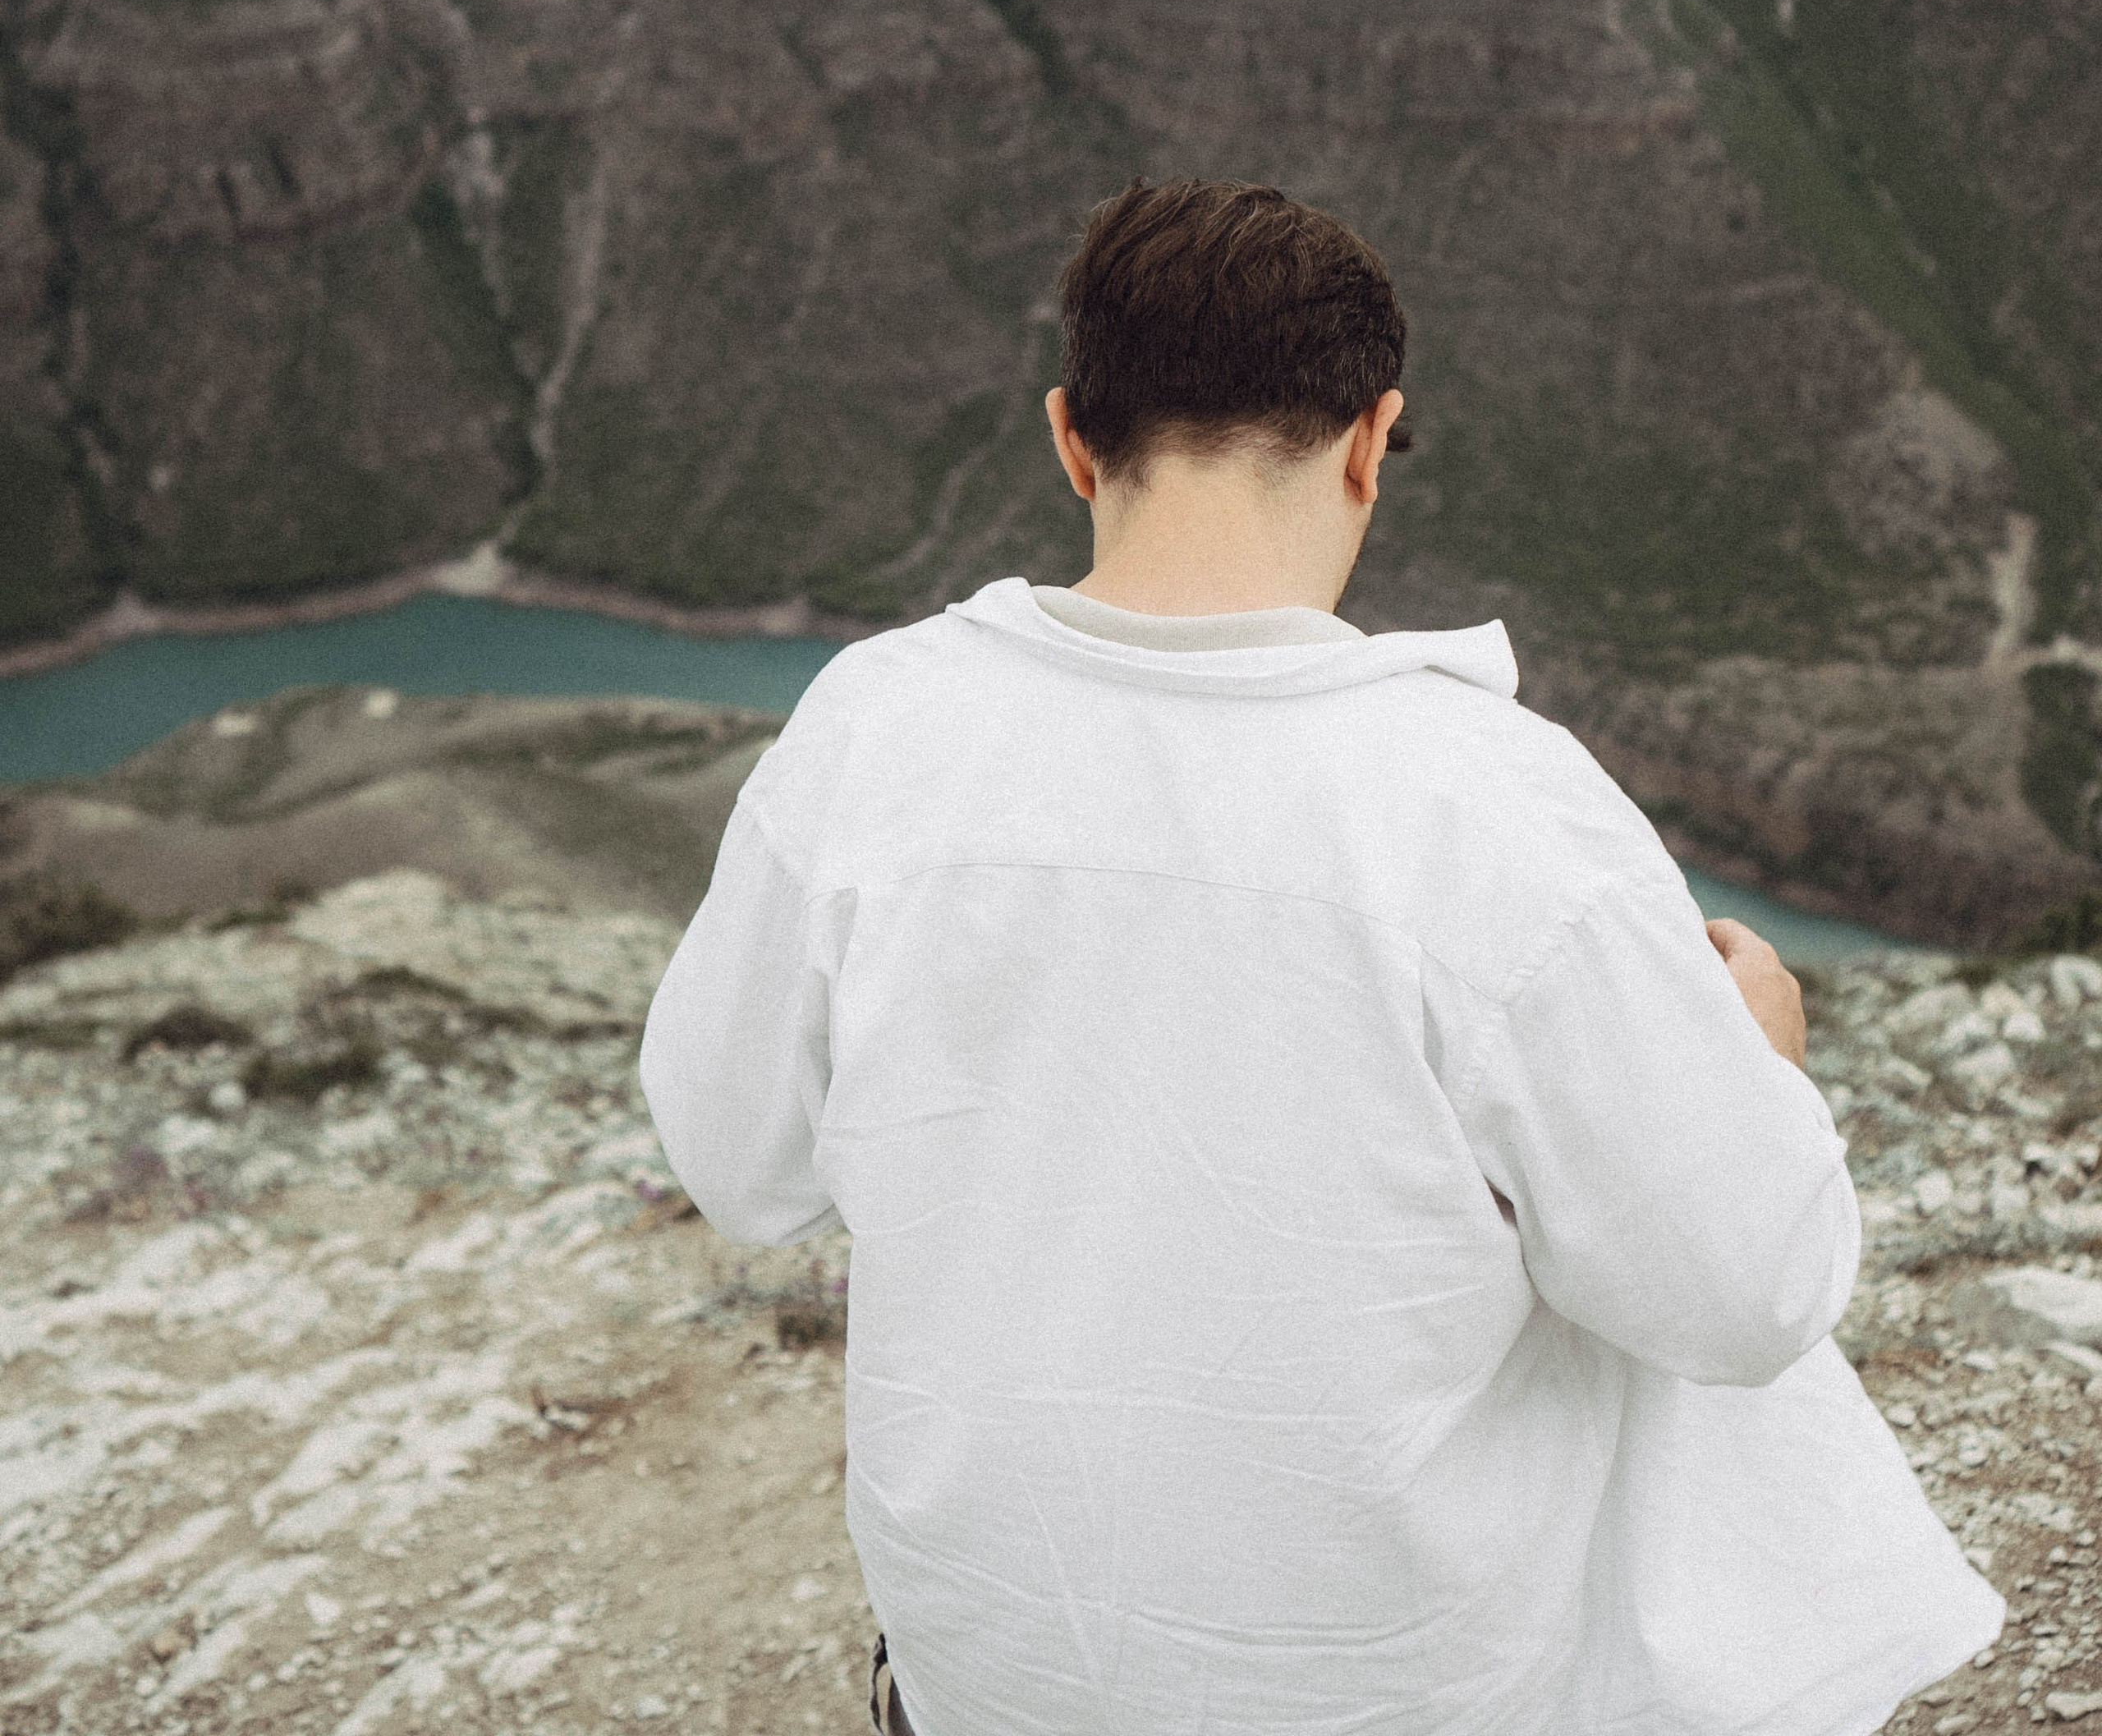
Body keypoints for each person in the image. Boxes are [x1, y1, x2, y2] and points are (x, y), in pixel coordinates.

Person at [640, 177, 2003, 1736]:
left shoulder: (872, 730)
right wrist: (1755, 1071)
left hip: (989, 1692)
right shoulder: (1496, 804)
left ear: (1074, 439)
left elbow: (737, 1167)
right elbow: (1748, 1301)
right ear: (1369, 440)